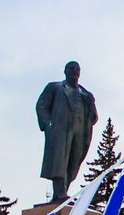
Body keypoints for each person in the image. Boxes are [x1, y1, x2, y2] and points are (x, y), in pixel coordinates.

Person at [36, 61, 99, 202]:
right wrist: (48, 125)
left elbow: (94, 117)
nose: (75, 71)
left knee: (73, 163)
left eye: (77, 69)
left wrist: (90, 103)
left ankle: (60, 194)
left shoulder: (86, 94)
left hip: (80, 133)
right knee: (59, 163)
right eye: (71, 68)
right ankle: (60, 193)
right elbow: (41, 106)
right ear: (65, 71)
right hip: (60, 131)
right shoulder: (55, 87)